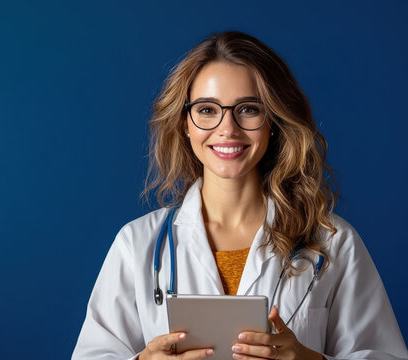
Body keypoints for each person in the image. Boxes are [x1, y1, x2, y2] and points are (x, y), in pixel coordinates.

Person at [72, 31, 408, 360]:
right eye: (207, 110)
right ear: (185, 123)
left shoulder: (332, 242)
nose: (228, 128)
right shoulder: (137, 245)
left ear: (272, 120)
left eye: (248, 109)